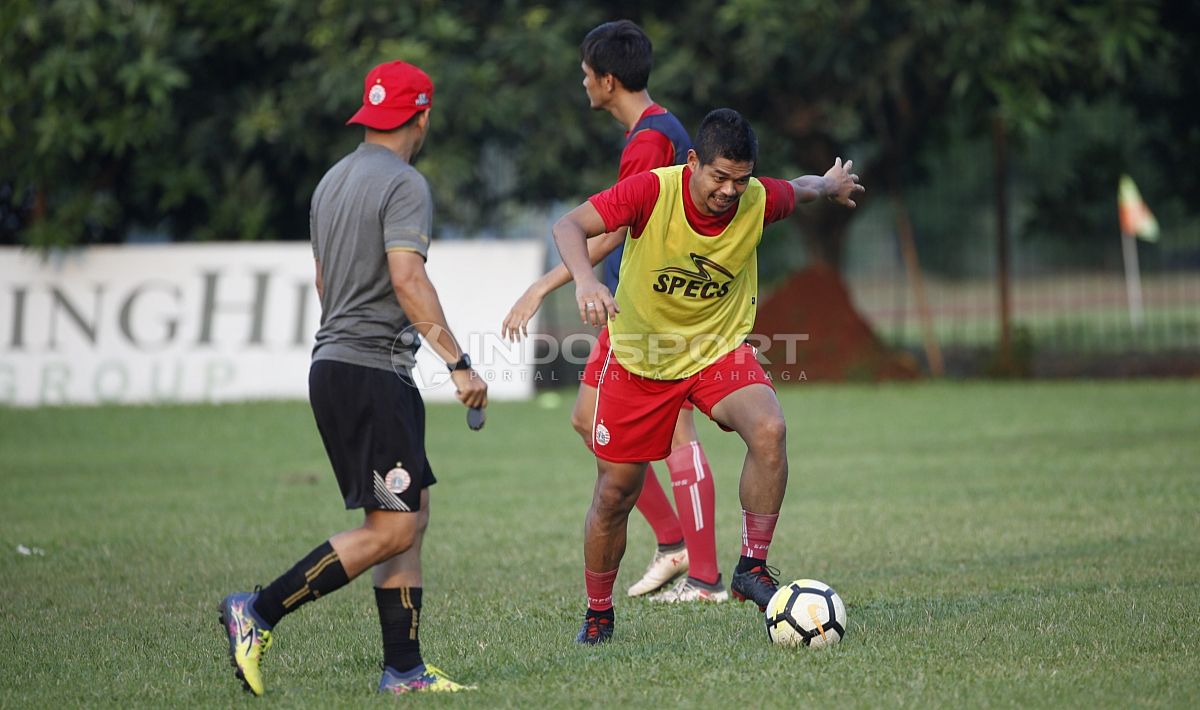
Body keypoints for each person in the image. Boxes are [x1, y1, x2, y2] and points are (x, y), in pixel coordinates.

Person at [218, 60, 487, 694]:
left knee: (412, 512)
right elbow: (408, 278)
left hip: (340, 363)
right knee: (391, 527)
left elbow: (323, 282)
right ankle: (255, 612)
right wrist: (459, 362)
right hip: (369, 371)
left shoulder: (330, 183)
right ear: (423, 115)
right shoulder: (405, 184)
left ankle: (404, 670)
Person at [554, 108, 864, 644]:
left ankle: (751, 568)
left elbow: (801, 188)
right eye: (718, 177)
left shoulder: (757, 200)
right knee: (615, 495)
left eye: (740, 180)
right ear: (692, 161)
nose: (729, 191)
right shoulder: (652, 192)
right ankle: (598, 613)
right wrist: (584, 281)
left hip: (717, 351)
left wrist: (830, 183)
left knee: (769, 430)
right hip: (641, 359)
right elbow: (569, 225)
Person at [502, 20, 727, 603]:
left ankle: (703, 577)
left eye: (585, 75)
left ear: (607, 79)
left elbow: (606, 233)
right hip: (634, 307)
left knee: (675, 429)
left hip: (650, 310)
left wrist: (543, 287)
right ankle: (677, 544)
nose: (582, 85)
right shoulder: (655, 130)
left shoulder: (652, 140)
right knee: (587, 420)